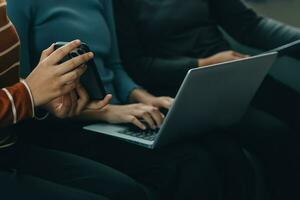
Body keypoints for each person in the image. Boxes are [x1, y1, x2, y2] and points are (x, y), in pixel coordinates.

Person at [7, 0, 257, 199]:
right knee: (191, 164)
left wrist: (145, 96)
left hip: (119, 113)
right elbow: (31, 89)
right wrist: (110, 111)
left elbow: (115, 66)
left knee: (224, 147)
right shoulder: (19, 3)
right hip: (70, 122)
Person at [113, 0, 300, 199]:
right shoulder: (119, 4)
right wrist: (204, 63)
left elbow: (249, 25)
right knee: (274, 134)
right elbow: (138, 66)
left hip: (234, 70)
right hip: (181, 87)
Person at [0, 1, 151, 199]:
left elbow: (12, 83)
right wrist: (29, 94)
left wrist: (44, 100)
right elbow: (25, 89)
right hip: (32, 139)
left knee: (129, 192)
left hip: (10, 146)